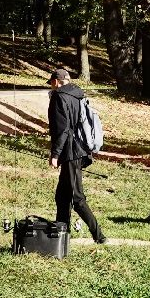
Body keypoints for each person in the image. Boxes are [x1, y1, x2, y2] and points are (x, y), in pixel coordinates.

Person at [48, 68, 106, 244]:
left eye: (51, 83)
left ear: (56, 82)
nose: (51, 86)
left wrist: (55, 154)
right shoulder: (78, 94)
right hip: (79, 150)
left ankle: (99, 236)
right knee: (62, 196)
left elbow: (62, 129)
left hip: (71, 152)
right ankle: (62, 236)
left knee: (77, 198)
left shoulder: (59, 97)